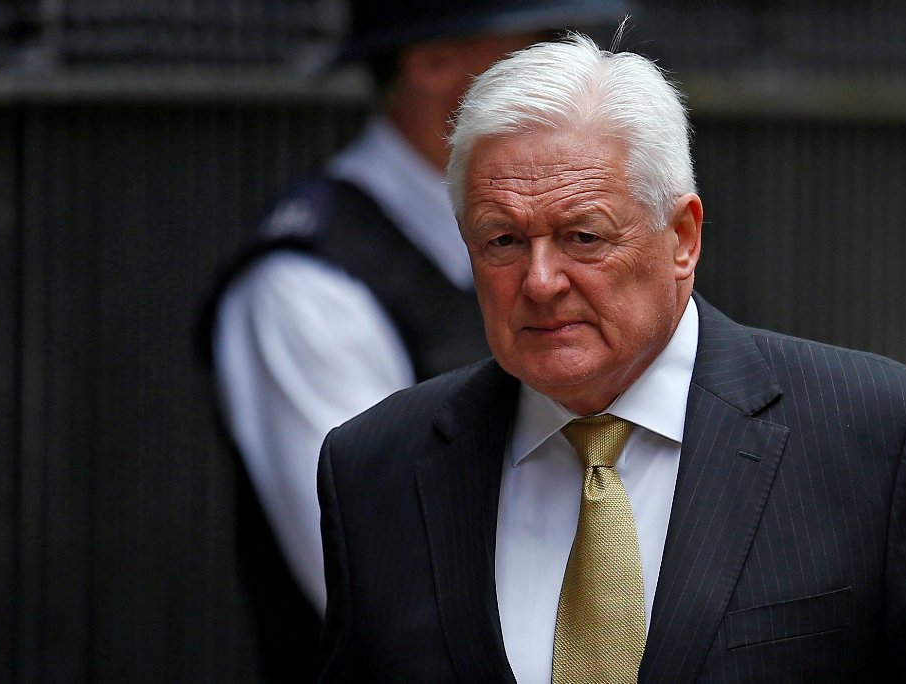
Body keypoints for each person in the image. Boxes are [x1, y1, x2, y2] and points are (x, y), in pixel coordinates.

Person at [316, 34, 906, 683]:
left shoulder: (875, 440)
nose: (538, 281)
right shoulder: (377, 467)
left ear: (682, 237)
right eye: (502, 241)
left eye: (583, 236)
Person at [200, 1, 628, 678]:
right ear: (430, 60)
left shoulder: (582, 244)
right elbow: (393, 593)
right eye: (544, 41)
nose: (577, 65)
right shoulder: (308, 288)